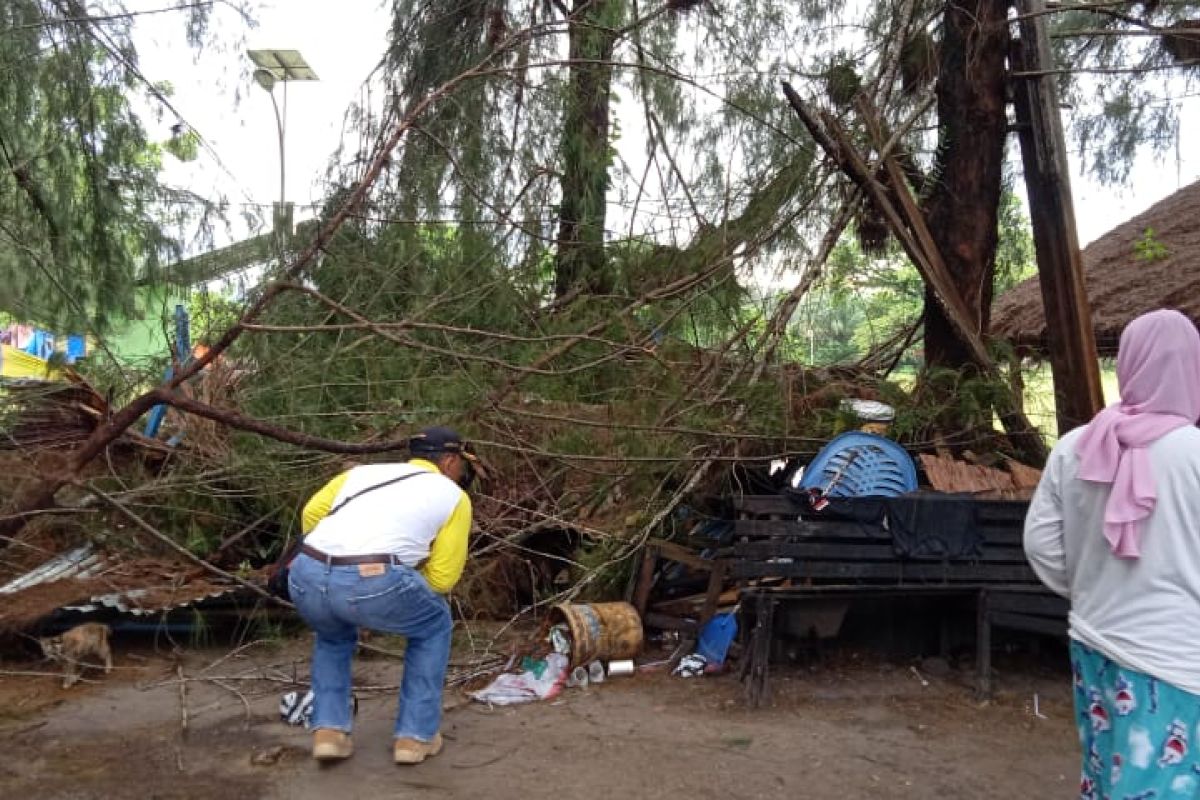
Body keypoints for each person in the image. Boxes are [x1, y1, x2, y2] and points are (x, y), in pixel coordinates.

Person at [1024, 309, 1200, 798]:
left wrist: (1090, 584)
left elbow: (1040, 544)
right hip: (1178, 662)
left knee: (1105, 779)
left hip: (1094, 646)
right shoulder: (1195, 454)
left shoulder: (1076, 447)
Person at [287, 425, 477, 765]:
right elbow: (443, 579)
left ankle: (329, 733)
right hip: (373, 578)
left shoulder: (362, 474)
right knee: (434, 623)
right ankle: (415, 738)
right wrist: (391, 584)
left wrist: (334, 561)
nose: (463, 471)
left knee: (332, 637)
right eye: (462, 463)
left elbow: (311, 514)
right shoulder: (454, 497)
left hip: (305, 573)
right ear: (449, 461)